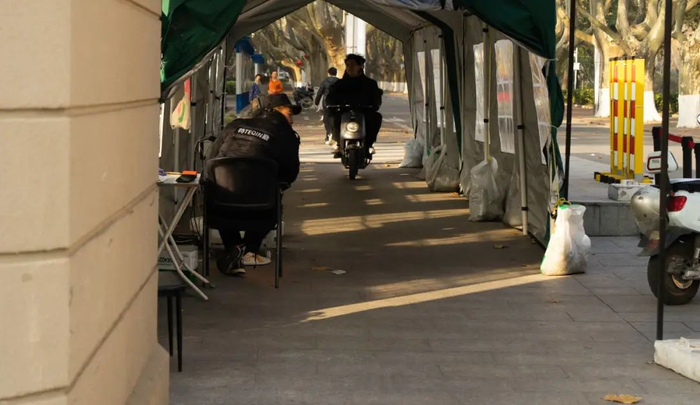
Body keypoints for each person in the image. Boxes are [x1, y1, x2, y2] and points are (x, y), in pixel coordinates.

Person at [207, 94, 301, 275]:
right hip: (262, 208)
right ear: (273, 110)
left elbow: (212, 158)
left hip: (221, 205)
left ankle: (234, 248)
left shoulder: (234, 125)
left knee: (219, 193)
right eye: (289, 113)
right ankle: (248, 249)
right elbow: (290, 173)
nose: (292, 119)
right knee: (274, 198)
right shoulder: (287, 135)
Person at [326, 54, 383, 157]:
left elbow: (376, 99)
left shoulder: (370, 84)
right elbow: (331, 97)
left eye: (353, 65)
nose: (350, 68)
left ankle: (369, 144)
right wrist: (331, 105)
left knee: (376, 117)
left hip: (364, 112)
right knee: (333, 117)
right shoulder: (339, 84)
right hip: (344, 112)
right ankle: (338, 144)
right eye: (348, 65)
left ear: (361, 66)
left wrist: (373, 105)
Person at [314, 67, 339, 144]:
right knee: (336, 118)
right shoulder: (340, 81)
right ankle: (335, 136)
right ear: (336, 73)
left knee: (327, 119)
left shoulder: (324, 81)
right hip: (337, 103)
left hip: (327, 103)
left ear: (328, 73)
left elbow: (320, 92)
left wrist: (316, 102)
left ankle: (329, 134)